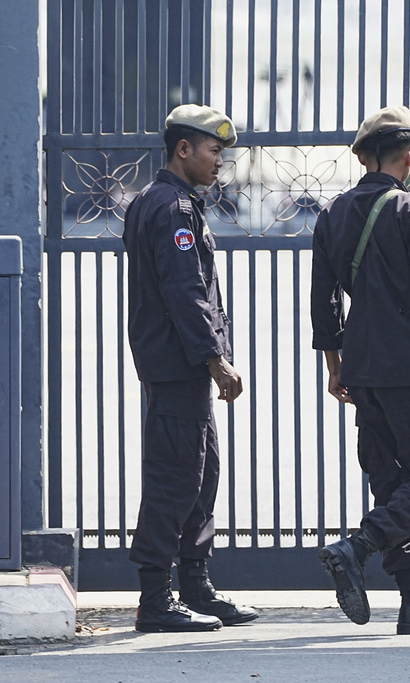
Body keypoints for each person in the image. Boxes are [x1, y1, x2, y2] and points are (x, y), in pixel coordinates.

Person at [310, 105, 410, 635]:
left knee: (391, 482)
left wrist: (335, 366)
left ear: (360, 156)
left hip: (362, 368)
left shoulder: (332, 213)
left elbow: (324, 302)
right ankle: (356, 547)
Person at [123, 104, 259, 633]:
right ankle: (156, 598)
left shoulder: (166, 202)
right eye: (213, 150)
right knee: (175, 479)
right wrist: (215, 358)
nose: (219, 161)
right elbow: (185, 290)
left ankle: (195, 586)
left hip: (181, 367)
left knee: (202, 477)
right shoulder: (172, 208)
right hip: (178, 365)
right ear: (184, 149)